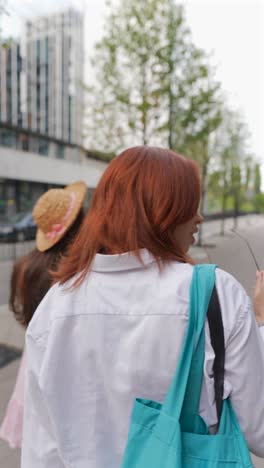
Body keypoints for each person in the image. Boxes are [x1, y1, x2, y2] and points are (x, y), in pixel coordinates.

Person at [21, 147, 264, 468]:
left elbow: (42, 452)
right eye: (190, 205)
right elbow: (258, 430)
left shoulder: (56, 304)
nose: (199, 218)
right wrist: (258, 322)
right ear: (164, 210)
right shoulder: (215, 293)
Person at [0, 181, 87, 449]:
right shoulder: (78, 271)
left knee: (39, 431)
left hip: (35, 356)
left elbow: (24, 317)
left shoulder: (25, 267)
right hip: (74, 362)